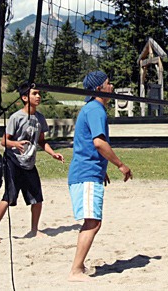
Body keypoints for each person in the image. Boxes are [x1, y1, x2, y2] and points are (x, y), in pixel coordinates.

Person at [68, 71, 132, 282]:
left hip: (90, 172)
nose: (111, 86)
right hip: (85, 173)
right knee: (93, 222)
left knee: (92, 221)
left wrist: (102, 168)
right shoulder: (96, 109)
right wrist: (120, 165)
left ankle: (79, 266)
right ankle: (75, 270)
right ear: (98, 89)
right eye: (108, 83)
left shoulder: (93, 109)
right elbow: (98, 143)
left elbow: (87, 143)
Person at [0, 83, 64, 243]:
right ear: (25, 97)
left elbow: (41, 141)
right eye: (35, 94)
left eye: (39, 94)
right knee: (9, 196)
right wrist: (15, 144)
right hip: (13, 162)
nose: (38, 96)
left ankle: (34, 230)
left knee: (37, 198)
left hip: (29, 163)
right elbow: (4, 141)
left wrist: (53, 153)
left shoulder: (39, 118)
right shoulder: (16, 117)